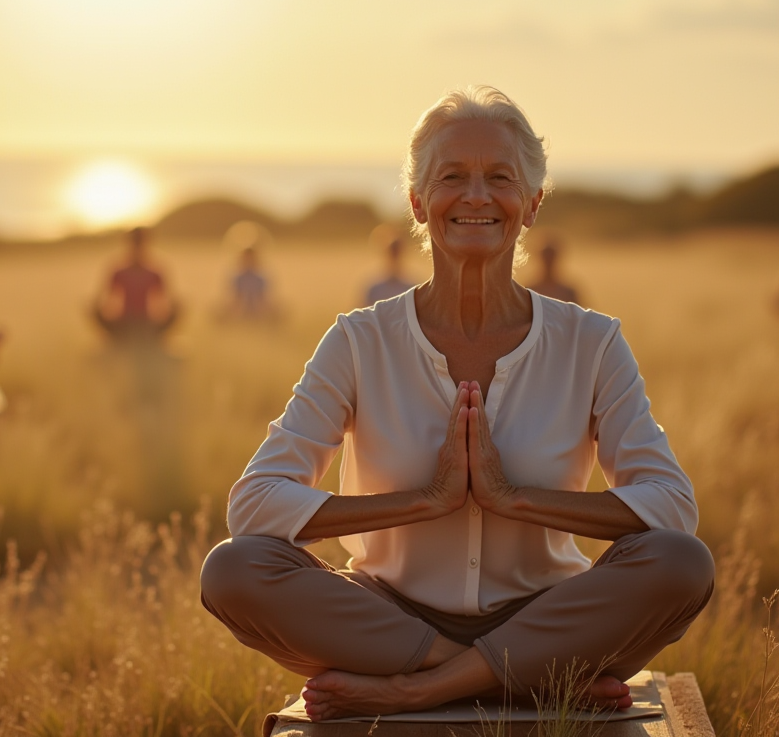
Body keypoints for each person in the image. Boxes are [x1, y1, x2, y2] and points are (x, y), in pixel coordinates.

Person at [200, 87, 713, 721]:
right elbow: (253, 504)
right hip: (389, 619)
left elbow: (672, 505)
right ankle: (515, 678)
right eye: (452, 178)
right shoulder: (359, 341)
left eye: (500, 177)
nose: (476, 196)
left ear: (531, 204)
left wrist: (514, 499)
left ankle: (422, 686)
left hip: (546, 613)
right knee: (234, 569)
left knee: (682, 562)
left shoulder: (593, 342)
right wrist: (422, 502)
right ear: (418, 202)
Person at [91, 226, 179, 341]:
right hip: (124, 321)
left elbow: (167, 301)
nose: (137, 246)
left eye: (139, 241)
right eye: (135, 241)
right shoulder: (118, 272)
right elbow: (106, 301)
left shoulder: (155, 272)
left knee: (179, 308)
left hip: (147, 321)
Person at [218, 245, 281, 323]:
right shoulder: (237, 278)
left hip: (258, 309)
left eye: (251, 259)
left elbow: (264, 299)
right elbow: (234, 299)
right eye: (246, 259)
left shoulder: (261, 278)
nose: (249, 262)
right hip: (239, 309)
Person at [526, 235, 582, 306]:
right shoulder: (529, 291)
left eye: (551, 258)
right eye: (546, 258)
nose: (549, 263)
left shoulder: (568, 293)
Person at [364, 234, 416, 306]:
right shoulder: (374, 289)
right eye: (392, 253)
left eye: (396, 253)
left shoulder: (412, 289)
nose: (394, 258)